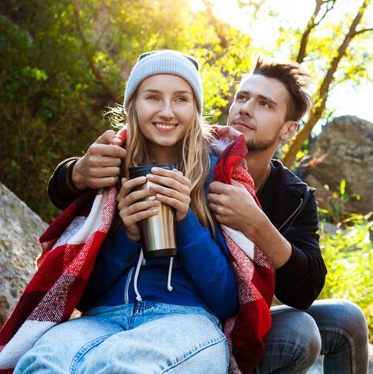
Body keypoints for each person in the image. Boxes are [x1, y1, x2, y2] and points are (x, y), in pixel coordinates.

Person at [48, 56, 370, 374]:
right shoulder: (200, 153)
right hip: (134, 308)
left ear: (289, 130)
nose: (245, 108)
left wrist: (258, 225)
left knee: (341, 320)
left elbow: (304, 289)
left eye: (264, 104)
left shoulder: (294, 197)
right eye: (242, 97)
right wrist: (76, 173)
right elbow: (79, 186)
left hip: (221, 314)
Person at [14, 50, 246, 373]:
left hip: (186, 320)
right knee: (40, 364)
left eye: (181, 99)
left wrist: (185, 219)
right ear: (133, 105)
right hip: (103, 318)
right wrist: (129, 234)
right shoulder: (110, 166)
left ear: (195, 109)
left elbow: (227, 301)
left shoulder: (217, 175)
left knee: (121, 367)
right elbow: (85, 295)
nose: (167, 111)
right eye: (153, 97)